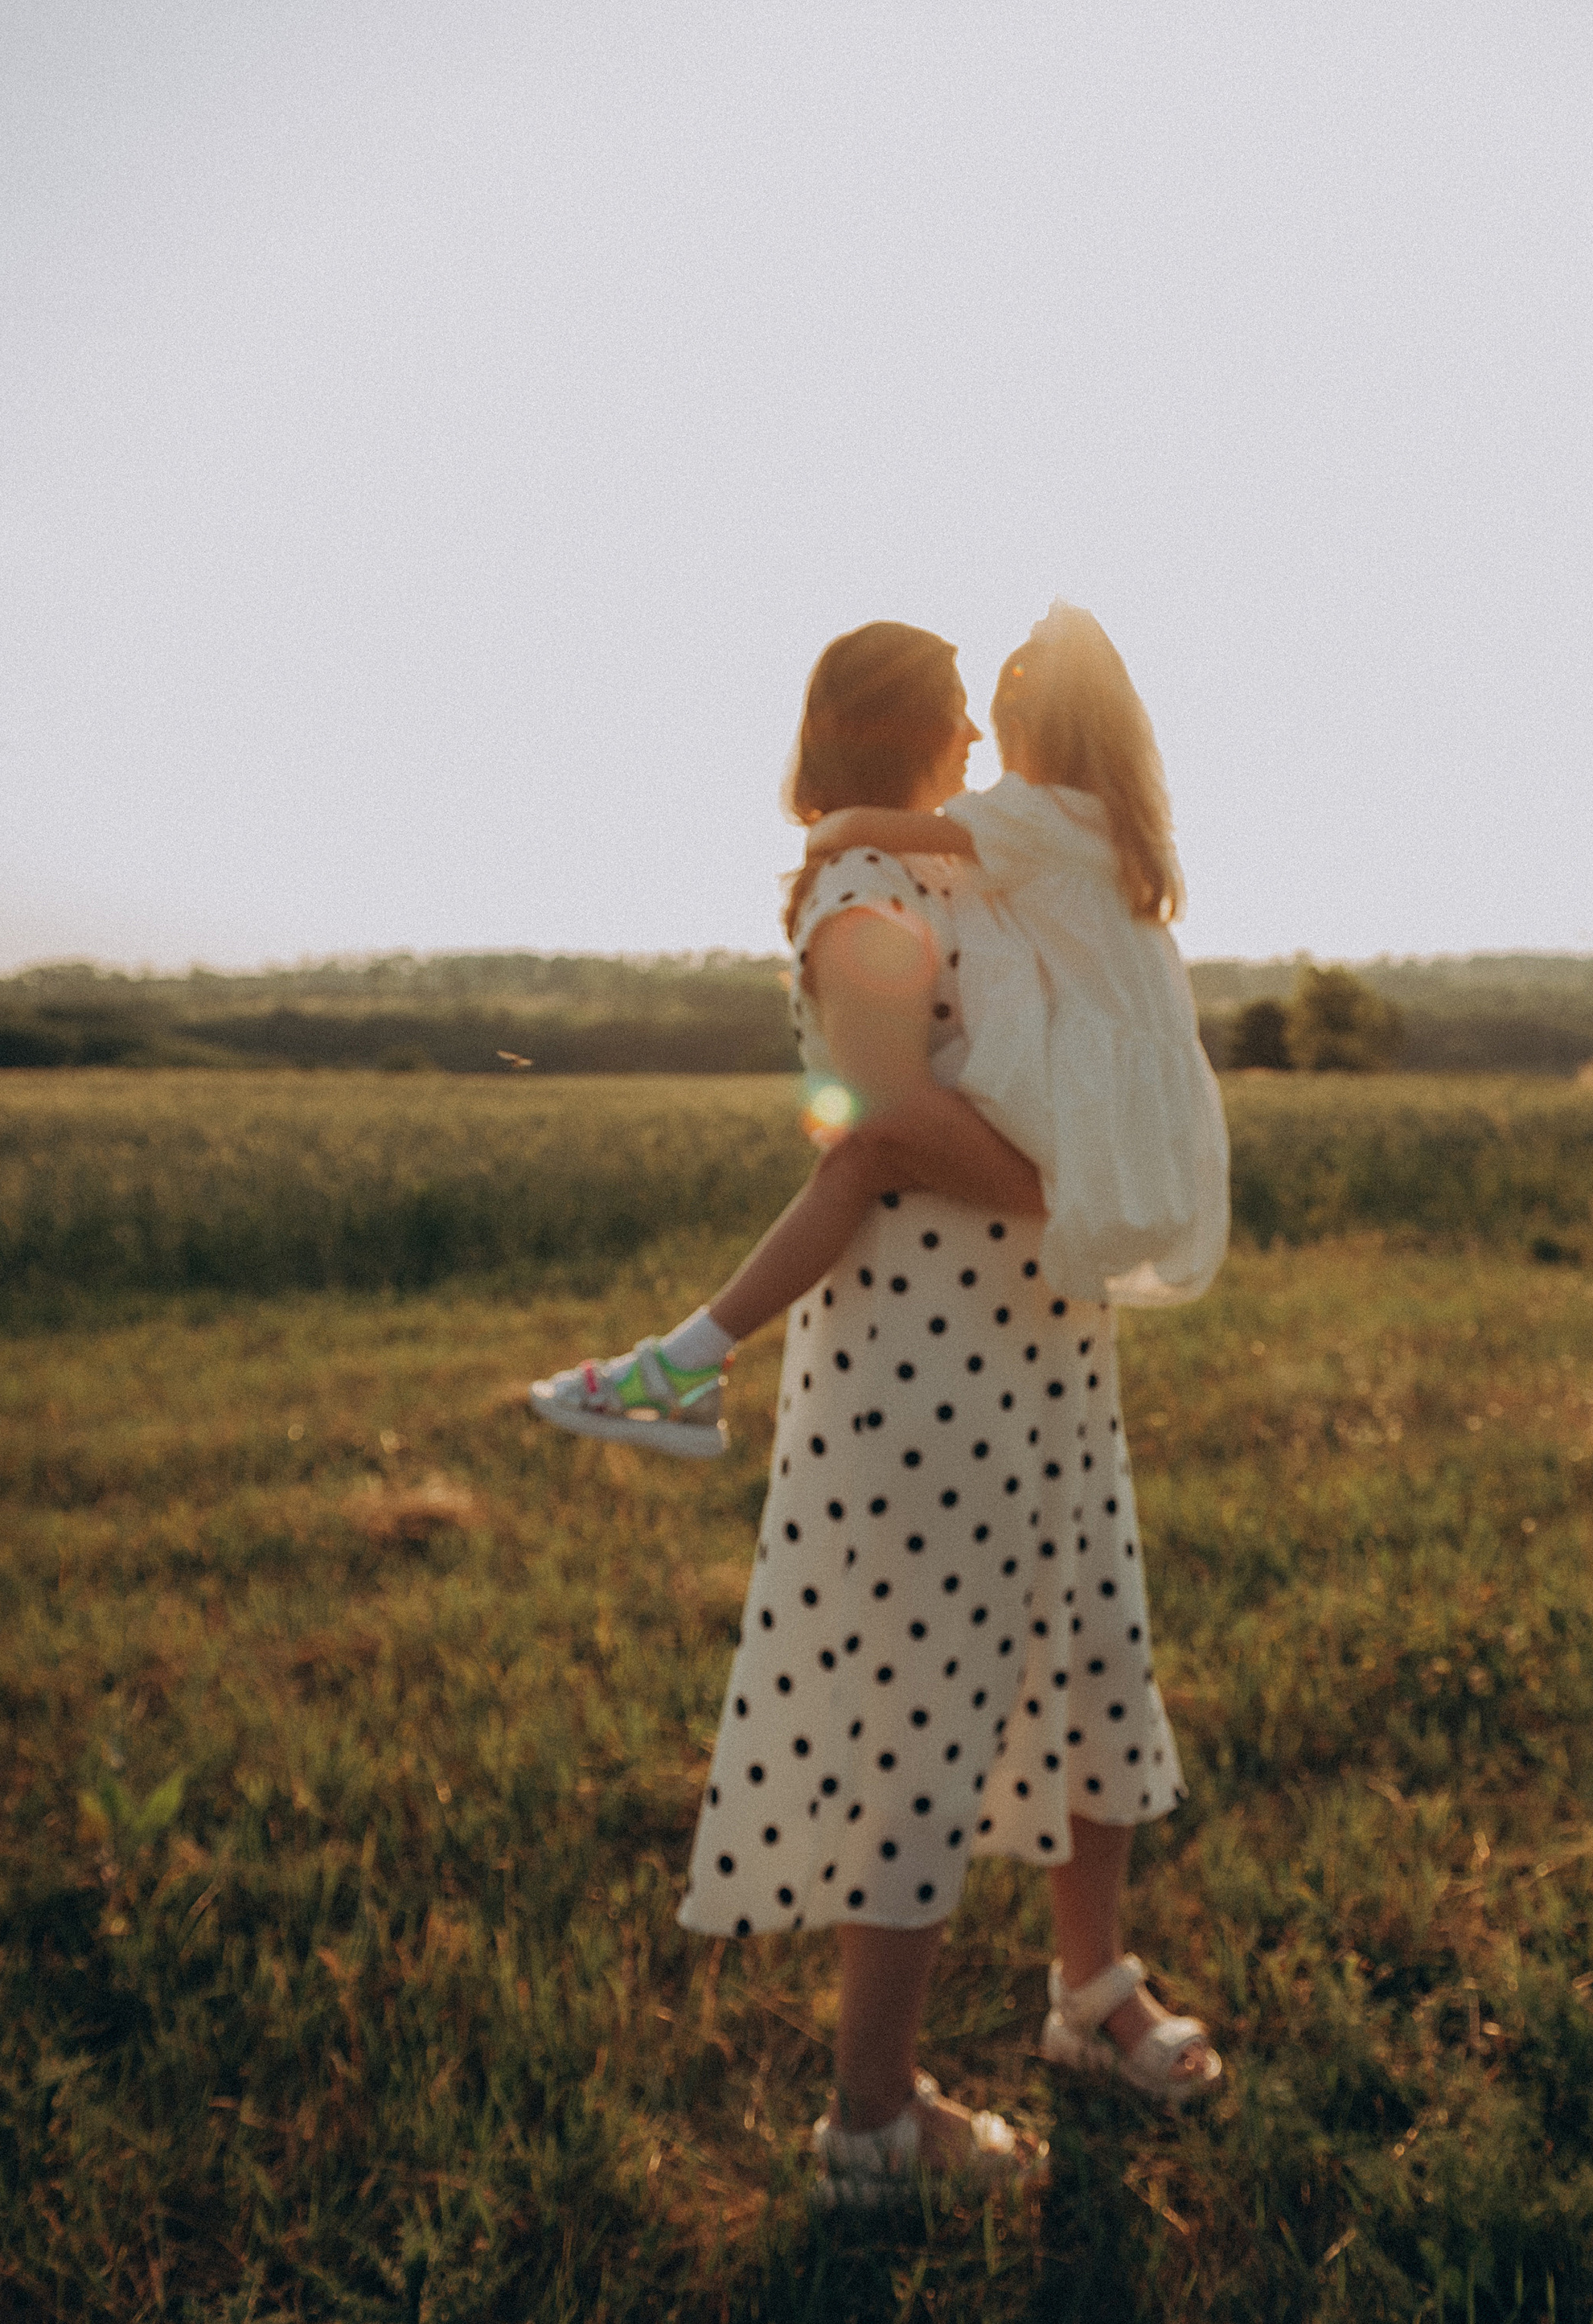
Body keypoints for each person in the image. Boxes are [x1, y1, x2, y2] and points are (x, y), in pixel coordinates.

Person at [544, 619, 1223, 2203]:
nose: (982, 762)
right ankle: (873, 2125)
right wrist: (1087, 1195)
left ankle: (1089, 1995)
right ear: (918, 737)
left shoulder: (953, 872)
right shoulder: (862, 896)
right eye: (962, 735)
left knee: (1095, 1669)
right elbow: (887, 1126)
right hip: (927, 1374)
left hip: (1042, 1357)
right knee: (924, 1720)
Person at [528, 604, 1226, 1455]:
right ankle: (682, 1363)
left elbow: (856, 833)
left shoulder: (1012, 827)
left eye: (997, 715)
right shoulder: (1095, 826)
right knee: (866, 1151)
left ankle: (683, 1362)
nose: (976, 735)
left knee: (862, 1151)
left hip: (1051, 1186)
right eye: (962, 712)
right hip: (1114, 1134)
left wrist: (826, 827)